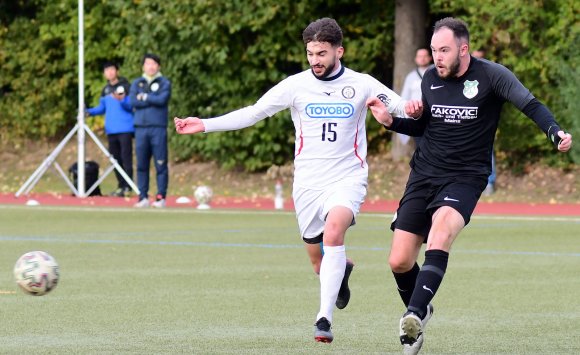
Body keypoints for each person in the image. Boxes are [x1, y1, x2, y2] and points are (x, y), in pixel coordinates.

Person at [174, 18, 418, 343]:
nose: (315, 60)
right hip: (307, 183)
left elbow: (401, 106)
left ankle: (323, 320)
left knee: (334, 231)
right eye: (310, 53)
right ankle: (339, 270)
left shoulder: (362, 84)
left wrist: (412, 109)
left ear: (338, 51)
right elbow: (253, 112)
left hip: (347, 178)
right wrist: (203, 124)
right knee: (318, 261)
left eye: (322, 53)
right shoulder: (295, 85)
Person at [367, 17, 572, 354]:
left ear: (463, 48)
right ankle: (423, 309)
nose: (437, 57)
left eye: (444, 50)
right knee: (399, 261)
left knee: (441, 231)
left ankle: (414, 314)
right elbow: (426, 128)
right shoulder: (431, 79)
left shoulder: (493, 76)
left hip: (465, 177)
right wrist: (392, 122)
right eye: (434, 50)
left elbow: (530, 104)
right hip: (424, 175)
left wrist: (555, 132)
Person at [86, 61, 134, 197]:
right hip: (111, 130)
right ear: (104, 74)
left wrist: (122, 100)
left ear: (117, 71)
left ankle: (128, 186)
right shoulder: (105, 90)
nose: (110, 72)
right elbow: (102, 108)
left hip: (125, 128)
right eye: (107, 70)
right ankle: (121, 185)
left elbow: (131, 106)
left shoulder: (126, 86)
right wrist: (88, 111)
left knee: (126, 158)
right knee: (115, 160)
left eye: (112, 69)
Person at [130, 53, 172, 208]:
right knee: (141, 164)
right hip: (140, 128)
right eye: (148, 63)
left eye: (154, 63)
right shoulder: (137, 83)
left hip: (158, 128)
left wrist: (145, 98)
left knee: (160, 163)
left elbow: (162, 100)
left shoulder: (164, 82)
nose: (151, 66)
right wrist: (149, 98)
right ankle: (142, 196)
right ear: (143, 66)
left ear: (158, 66)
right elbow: (133, 101)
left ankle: (161, 197)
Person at [471, 49, 497, 195]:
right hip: (465, 126)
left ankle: (489, 183)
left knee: (488, 154)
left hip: (483, 127)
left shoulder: (490, 76)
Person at [399, 48, 432, 147]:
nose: (422, 59)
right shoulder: (410, 77)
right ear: (416, 59)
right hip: (417, 116)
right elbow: (405, 97)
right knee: (420, 145)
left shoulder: (436, 74)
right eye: (420, 56)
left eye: (425, 56)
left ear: (430, 58)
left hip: (434, 116)